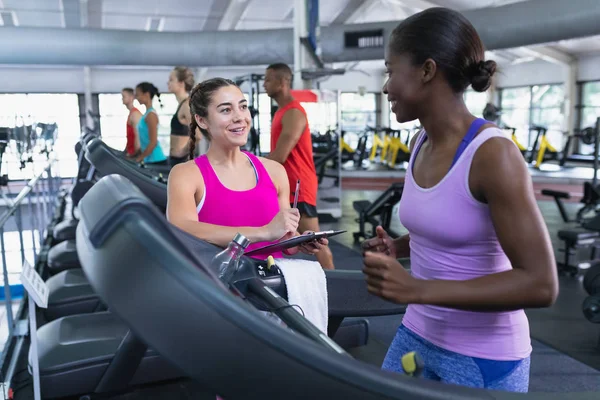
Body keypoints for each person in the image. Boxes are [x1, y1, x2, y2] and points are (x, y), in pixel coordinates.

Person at [361, 7, 558, 393]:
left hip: (483, 356)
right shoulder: (420, 143)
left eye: (390, 70)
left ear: (427, 70)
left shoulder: (492, 154)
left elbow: (541, 285)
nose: (386, 87)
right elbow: (454, 229)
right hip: (417, 335)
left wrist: (418, 289)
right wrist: (399, 247)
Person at [166, 77, 327, 260]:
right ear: (202, 121)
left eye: (243, 107)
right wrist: (263, 232)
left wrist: (296, 241)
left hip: (269, 283)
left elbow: (283, 234)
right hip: (218, 285)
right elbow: (184, 229)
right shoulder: (186, 174)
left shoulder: (274, 171)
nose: (239, 117)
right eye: (226, 110)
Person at [263, 63, 335, 270]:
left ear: (283, 81)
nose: (264, 84)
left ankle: (339, 288)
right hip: (286, 185)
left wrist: (249, 168)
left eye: (268, 79)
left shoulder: (294, 113)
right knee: (284, 237)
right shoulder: (281, 111)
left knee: (316, 242)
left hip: (298, 187)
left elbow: (280, 156)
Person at [167, 66, 201, 165]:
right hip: (175, 160)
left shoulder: (187, 105)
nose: (168, 83)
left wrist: (182, 152)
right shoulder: (182, 104)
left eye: (171, 80)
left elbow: (198, 135)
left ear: (181, 83)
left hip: (181, 160)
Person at [134, 82, 168, 165]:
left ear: (147, 94)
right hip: (149, 160)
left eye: (138, 94)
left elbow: (153, 142)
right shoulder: (146, 114)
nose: (136, 97)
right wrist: (135, 155)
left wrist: (140, 158)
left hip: (156, 160)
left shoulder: (151, 115)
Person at [121, 87, 142, 157]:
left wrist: (134, 155)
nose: (122, 99)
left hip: (134, 155)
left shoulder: (135, 114)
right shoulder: (131, 113)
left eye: (124, 96)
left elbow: (138, 137)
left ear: (131, 97)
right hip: (129, 153)